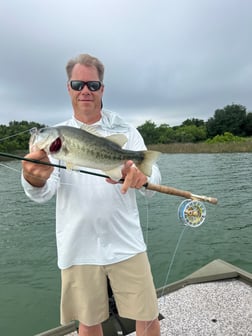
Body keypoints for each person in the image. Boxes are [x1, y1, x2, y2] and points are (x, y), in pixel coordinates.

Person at [21, 54, 161, 336]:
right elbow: (43, 192)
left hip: (126, 242)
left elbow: (153, 176)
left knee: (147, 316)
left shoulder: (126, 131)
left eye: (93, 85)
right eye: (78, 84)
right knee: (88, 322)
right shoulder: (58, 138)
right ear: (69, 88)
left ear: (102, 89)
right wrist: (32, 179)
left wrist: (142, 177)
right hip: (78, 245)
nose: (85, 90)